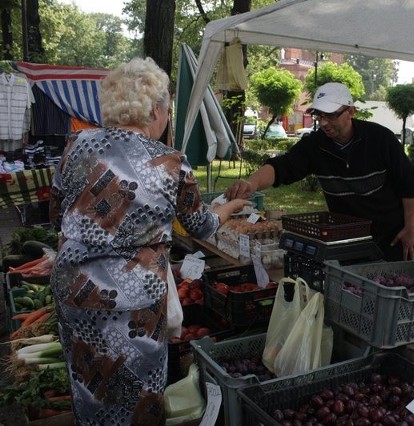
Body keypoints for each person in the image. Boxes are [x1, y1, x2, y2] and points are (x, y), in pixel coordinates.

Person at [48, 57, 249, 426]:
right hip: (134, 298)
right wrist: (231, 206)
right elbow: (202, 226)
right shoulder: (170, 161)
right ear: (156, 109)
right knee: (137, 392)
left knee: (90, 383)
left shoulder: (76, 144)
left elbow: (57, 213)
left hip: (74, 288)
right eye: (167, 110)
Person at [226, 82, 414, 261]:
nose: (324, 123)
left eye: (331, 115)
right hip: (345, 239)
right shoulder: (315, 145)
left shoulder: (380, 139)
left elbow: (408, 185)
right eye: (320, 115)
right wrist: (252, 183)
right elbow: (282, 167)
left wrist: (410, 228)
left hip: (390, 238)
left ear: (350, 111)